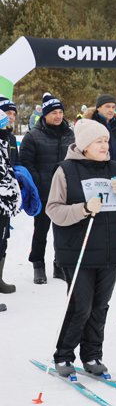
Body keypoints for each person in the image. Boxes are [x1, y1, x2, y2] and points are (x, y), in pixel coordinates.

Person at [46, 118, 116, 378]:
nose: (105, 145)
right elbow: (53, 210)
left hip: (110, 250)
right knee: (80, 306)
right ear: (84, 144)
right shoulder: (65, 170)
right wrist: (84, 210)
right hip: (77, 251)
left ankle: (92, 354)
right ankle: (64, 355)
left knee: (100, 306)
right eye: (99, 141)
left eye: (106, 141)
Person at [20, 92, 75, 285]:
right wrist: (41, 183)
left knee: (64, 231)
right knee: (41, 231)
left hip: (66, 192)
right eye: (54, 113)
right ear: (45, 114)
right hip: (44, 192)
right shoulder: (33, 136)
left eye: (60, 112)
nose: (58, 116)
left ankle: (59, 265)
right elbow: (26, 164)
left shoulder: (70, 133)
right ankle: (38, 265)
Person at [0, 109, 21, 308]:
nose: (7, 128)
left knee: (1, 242)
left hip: (3, 205)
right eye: (3, 125)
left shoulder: (5, 142)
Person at [83, 94, 116, 165]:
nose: (111, 110)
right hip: (97, 173)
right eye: (107, 106)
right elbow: (83, 154)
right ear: (98, 108)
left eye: (113, 107)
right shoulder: (89, 127)